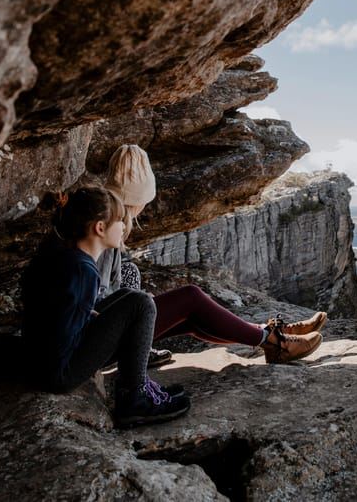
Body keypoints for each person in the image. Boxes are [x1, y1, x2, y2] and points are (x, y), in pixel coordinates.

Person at [100, 144, 327, 364]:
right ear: (138, 200)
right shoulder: (104, 235)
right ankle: (274, 342)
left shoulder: (110, 227)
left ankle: (266, 333)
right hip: (98, 343)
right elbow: (95, 303)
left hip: (113, 332)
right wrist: (139, 305)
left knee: (191, 316)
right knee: (190, 297)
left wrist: (138, 303)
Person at [21, 187, 190, 428]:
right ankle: (134, 399)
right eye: (120, 221)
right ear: (99, 228)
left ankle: (138, 384)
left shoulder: (67, 257)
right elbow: (63, 336)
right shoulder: (83, 271)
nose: (124, 226)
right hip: (59, 372)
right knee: (141, 304)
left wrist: (97, 320)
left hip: (40, 361)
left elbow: (59, 313)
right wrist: (102, 328)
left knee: (127, 296)